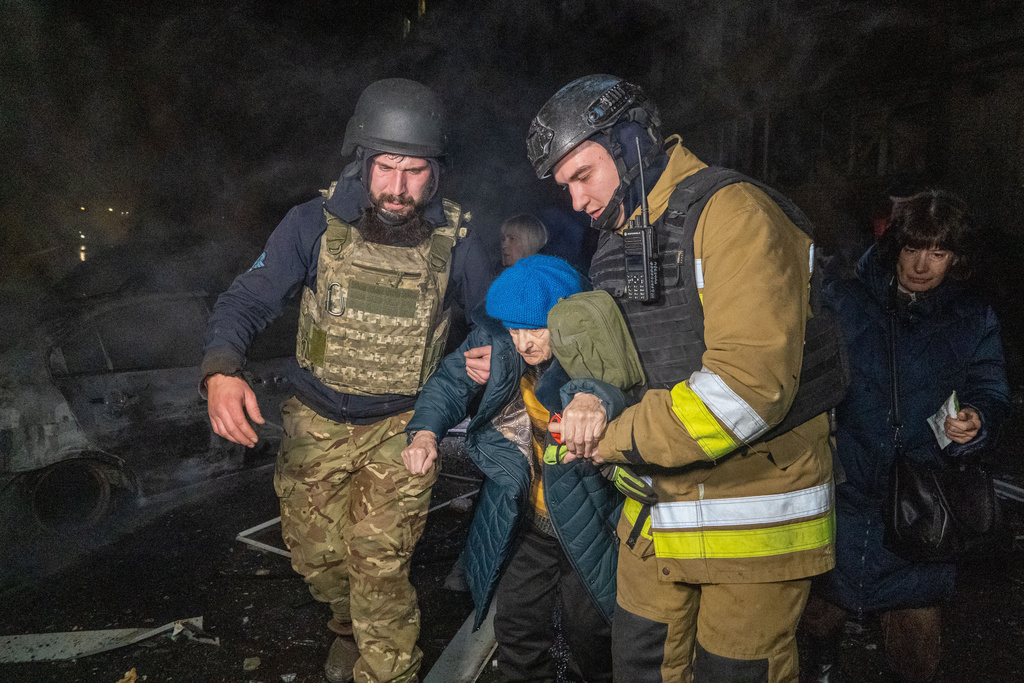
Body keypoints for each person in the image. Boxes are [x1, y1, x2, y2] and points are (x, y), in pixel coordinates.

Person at [470, 74, 837, 682]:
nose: (576, 202)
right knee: (638, 667)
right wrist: (578, 391)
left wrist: (609, 436)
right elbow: (614, 362)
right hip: (654, 518)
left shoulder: (733, 215)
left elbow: (744, 394)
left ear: (632, 143)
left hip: (749, 524)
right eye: (565, 187)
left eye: (582, 176)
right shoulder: (618, 240)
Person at [201, 78, 491, 683]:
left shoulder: (458, 242)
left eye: (415, 172)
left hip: (404, 427)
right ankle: (344, 625)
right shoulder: (311, 223)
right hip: (315, 420)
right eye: (387, 168)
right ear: (362, 162)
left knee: (379, 569)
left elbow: (491, 321)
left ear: (435, 173)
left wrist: (481, 364)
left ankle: (386, 669)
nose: (398, 188)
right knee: (318, 561)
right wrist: (222, 371)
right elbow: (246, 300)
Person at [800, 191, 1010, 683]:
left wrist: (978, 418)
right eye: (913, 247)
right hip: (842, 488)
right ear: (895, 244)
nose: (922, 264)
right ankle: (822, 665)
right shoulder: (845, 296)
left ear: (955, 258)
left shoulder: (973, 316)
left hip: (923, 501)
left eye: (938, 253)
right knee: (815, 614)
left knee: (916, 645)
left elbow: (990, 385)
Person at [402, 255, 625, 682]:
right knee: (516, 628)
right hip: (529, 524)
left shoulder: (603, 348)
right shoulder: (499, 346)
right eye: (514, 328)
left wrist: (596, 398)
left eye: (536, 328)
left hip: (592, 523)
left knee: (593, 634)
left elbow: (626, 391)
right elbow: (449, 382)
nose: (524, 343)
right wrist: (426, 433)